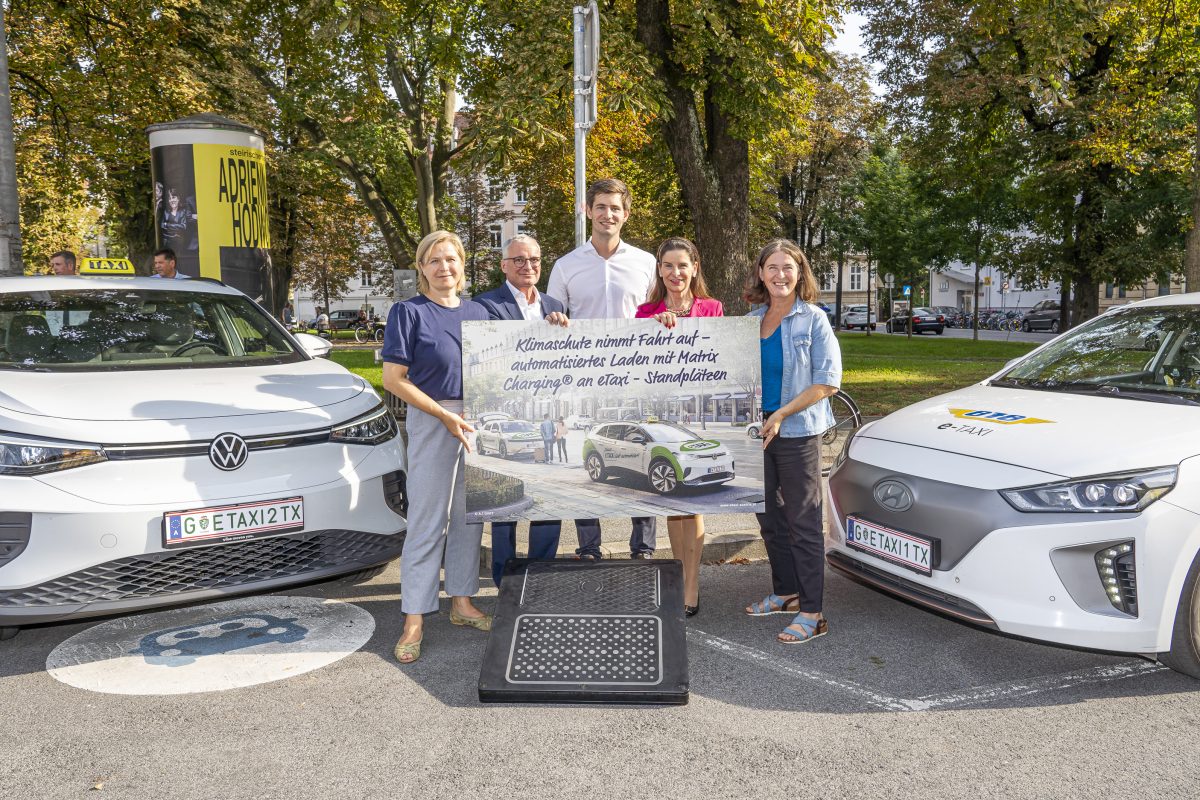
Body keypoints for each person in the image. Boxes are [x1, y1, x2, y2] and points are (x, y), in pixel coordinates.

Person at [381, 230, 492, 664]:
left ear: (463, 265)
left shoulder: (480, 311)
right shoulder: (408, 313)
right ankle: (415, 617)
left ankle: (462, 602)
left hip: (478, 419)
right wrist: (444, 415)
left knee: (469, 516)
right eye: (434, 260)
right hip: (433, 419)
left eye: (451, 259)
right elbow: (394, 380)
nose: (444, 267)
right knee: (428, 520)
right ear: (422, 268)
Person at [547, 177, 658, 560]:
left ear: (625, 214)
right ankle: (588, 545)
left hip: (637, 375)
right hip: (585, 377)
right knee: (587, 453)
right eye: (600, 207)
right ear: (587, 211)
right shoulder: (565, 266)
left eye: (615, 208)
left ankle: (642, 545)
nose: (607, 214)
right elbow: (550, 319)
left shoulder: (646, 263)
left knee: (642, 447)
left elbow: (657, 315)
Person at [742, 239, 842, 644]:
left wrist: (782, 413)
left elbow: (828, 382)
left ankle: (813, 612)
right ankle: (785, 592)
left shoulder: (813, 319)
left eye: (788, 268)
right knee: (769, 518)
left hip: (797, 431)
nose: (780, 275)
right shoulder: (752, 320)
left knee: (802, 522)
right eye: (772, 268)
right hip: (756, 432)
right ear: (761, 273)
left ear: (800, 273)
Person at [635, 237, 723, 616]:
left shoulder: (712, 309)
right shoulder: (644, 312)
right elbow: (636, 363)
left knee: (694, 502)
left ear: (695, 267)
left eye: (682, 265)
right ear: (659, 269)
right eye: (668, 266)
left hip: (698, 412)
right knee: (674, 503)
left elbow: (721, 355)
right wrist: (655, 330)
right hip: (660, 413)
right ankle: (678, 574)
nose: (675, 273)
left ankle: (692, 583)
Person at [474, 234, 566, 585]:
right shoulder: (486, 305)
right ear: (504, 266)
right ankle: (505, 578)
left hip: (542, 408)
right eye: (519, 260)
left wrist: (560, 333)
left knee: (550, 497)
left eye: (534, 260)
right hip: (506, 405)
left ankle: (541, 573)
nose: (528, 266)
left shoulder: (555, 304)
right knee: (506, 500)